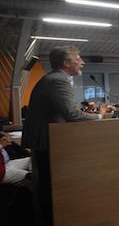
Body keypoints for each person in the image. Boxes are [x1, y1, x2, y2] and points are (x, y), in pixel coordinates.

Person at [21, 46, 106, 226]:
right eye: (78, 59)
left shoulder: (53, 78)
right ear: (66, 63)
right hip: (48, 141)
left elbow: (64, 111)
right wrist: (99, 116)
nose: (82, 62)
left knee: (48, 185)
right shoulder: (58, 80)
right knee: (49, 186)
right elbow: (71, 115)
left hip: (47, 139)